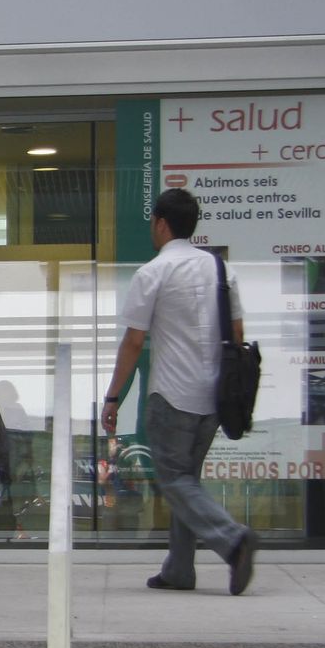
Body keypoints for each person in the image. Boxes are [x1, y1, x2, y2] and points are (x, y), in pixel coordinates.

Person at [101, 187, 258, 595]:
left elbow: (134, 342)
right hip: (214, 400)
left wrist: (113, 396)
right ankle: (179, 570)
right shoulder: (221, 270)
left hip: (172, 395)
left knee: (173, 481)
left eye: (154, 223)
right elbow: (237, 334)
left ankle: (232, 539)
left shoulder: (153, 272)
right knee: (186, 480)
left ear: (162, 224)